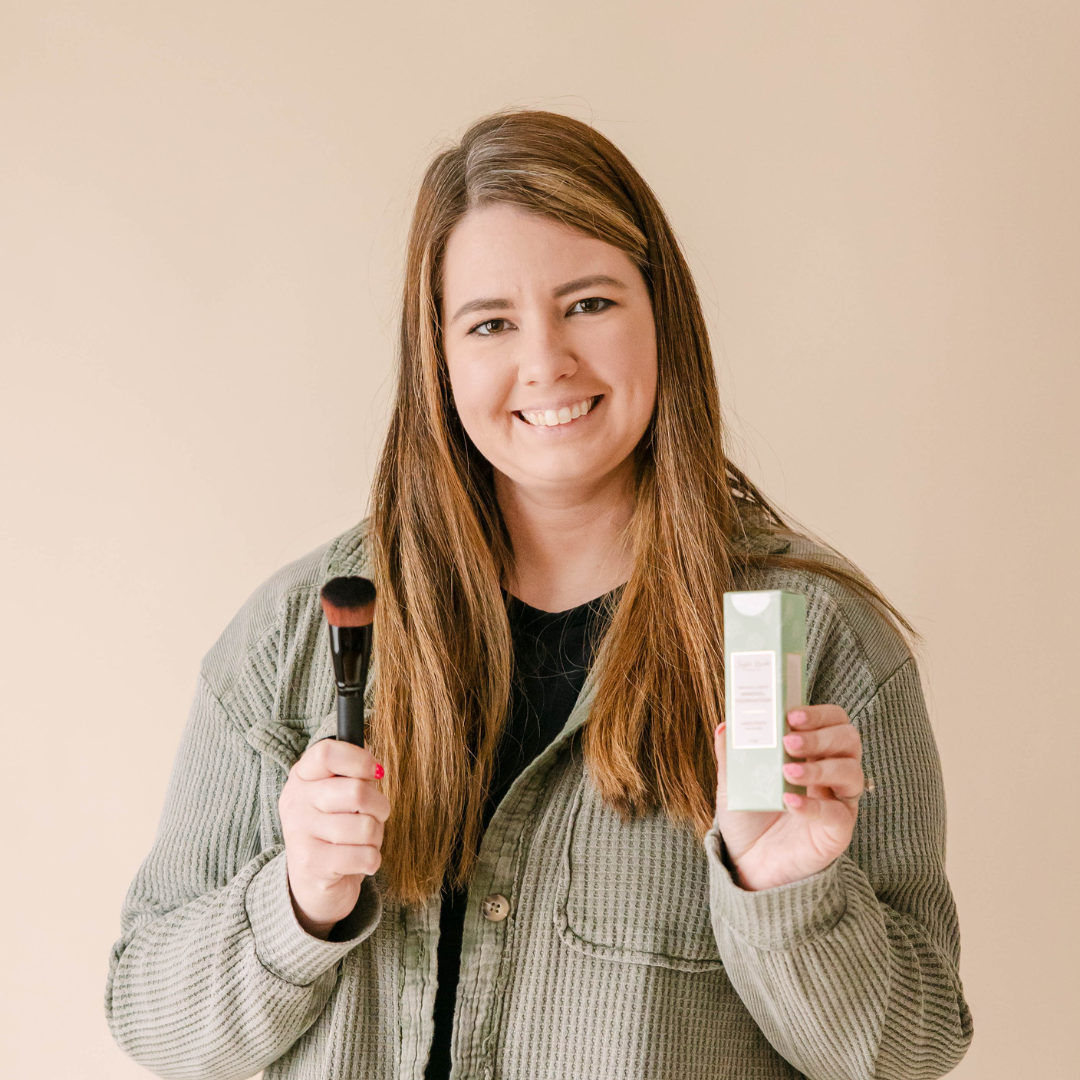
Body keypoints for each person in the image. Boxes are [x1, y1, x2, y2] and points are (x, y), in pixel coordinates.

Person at [105, 108, 973, 1080]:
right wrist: (299, 899)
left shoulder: (818, 653)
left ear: (661, 313)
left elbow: (908, 1051)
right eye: (491, 322)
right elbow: (153, 1020)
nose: (547, 360)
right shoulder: (293, 640)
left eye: (590, 303)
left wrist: (783, 890)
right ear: (437, 355)